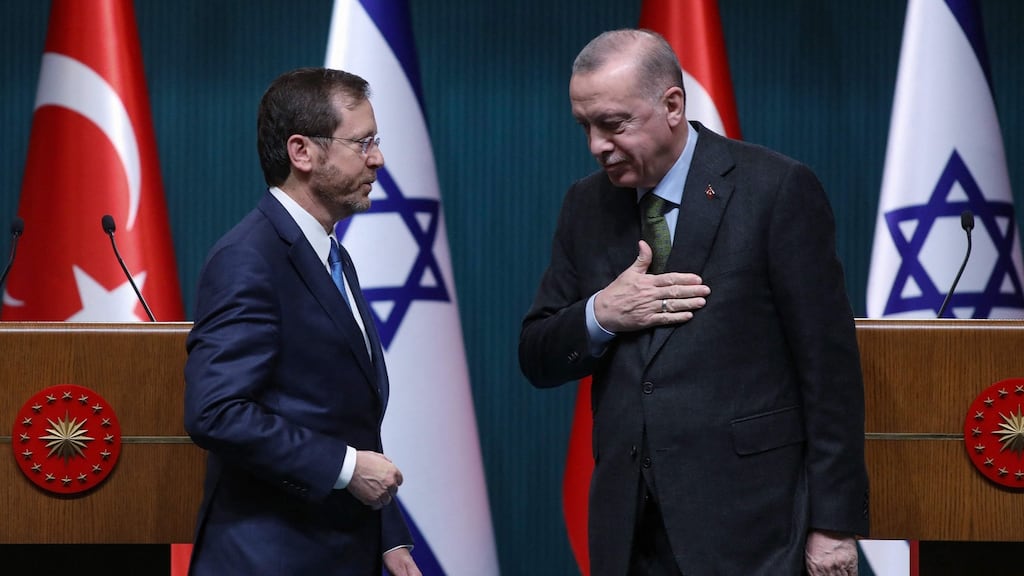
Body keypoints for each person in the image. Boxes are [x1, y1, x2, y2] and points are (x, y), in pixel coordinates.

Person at [519, 29, 869, 575]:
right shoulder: (585, 205)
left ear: (672, 105)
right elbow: (536, 353)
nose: (596, 146)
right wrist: (601, 315)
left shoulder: (775, 189)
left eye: (613, 124)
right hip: (631, 533)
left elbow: (830, 375)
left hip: (753, 528)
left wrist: (835, 525)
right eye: (584, 127)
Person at [184, 67, 420, 576]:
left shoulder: (330, 254)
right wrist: (347, 467)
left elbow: (343, 416)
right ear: (302, 152)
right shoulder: (249, 257)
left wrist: (388, 536)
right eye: (363, 143)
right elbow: (216, 411)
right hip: (267, 558)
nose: (378, 158)